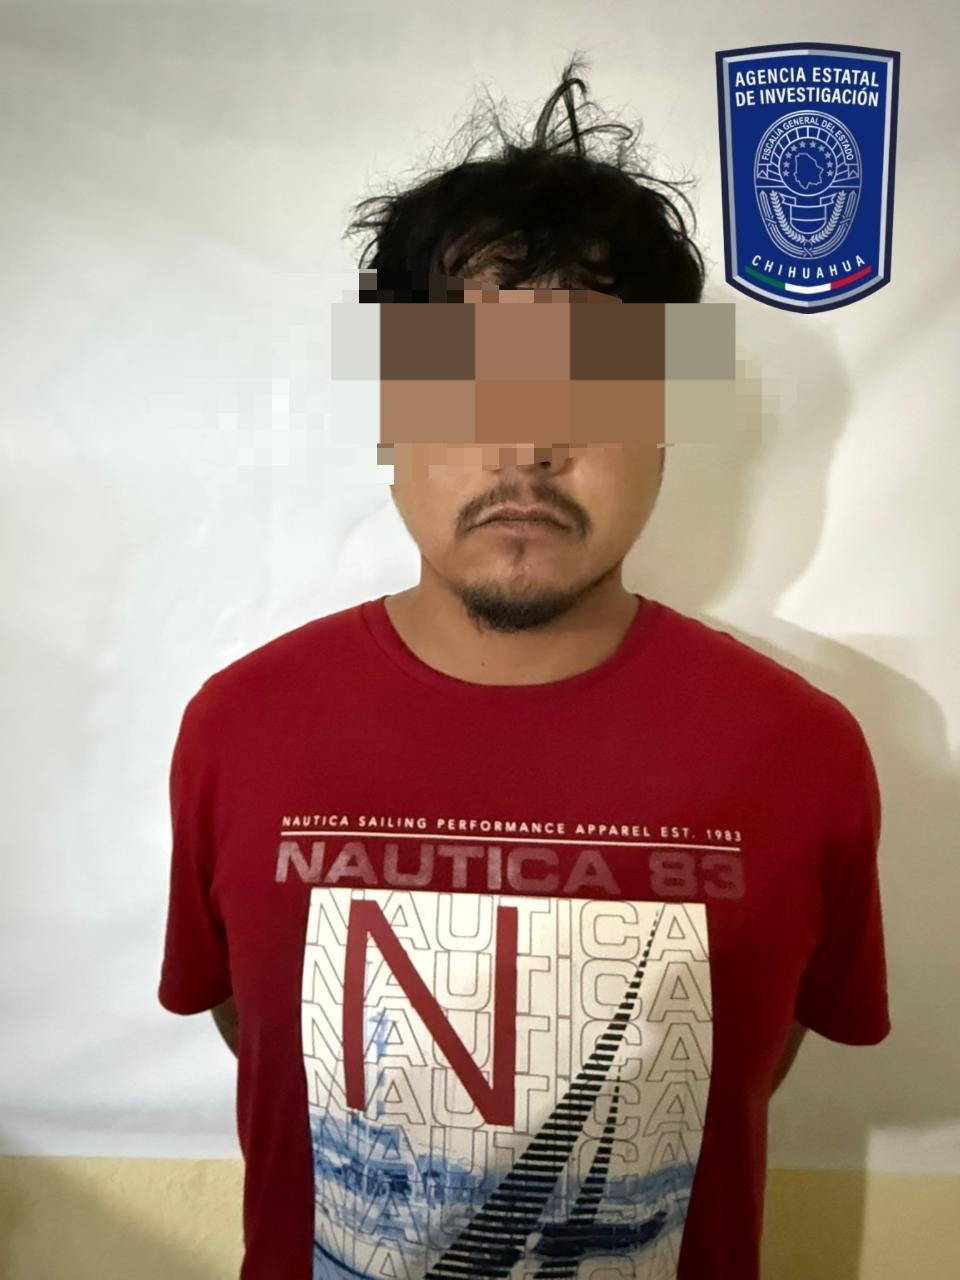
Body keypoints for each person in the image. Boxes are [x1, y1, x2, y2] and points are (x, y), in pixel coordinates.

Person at [159, 52, 890, 1280]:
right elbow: (269, 1036)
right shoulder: (241, 727)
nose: (528, 442)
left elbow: (744, 1065)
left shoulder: (801, 750)